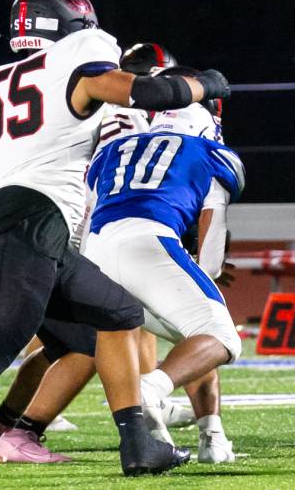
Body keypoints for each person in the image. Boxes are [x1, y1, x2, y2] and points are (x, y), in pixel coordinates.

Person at [0, 0, 230, 476]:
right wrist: (207, 84)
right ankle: (9, 426)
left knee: (117, 313)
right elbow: (145, 91)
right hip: (22, 222)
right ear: (72, 22)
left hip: (31, 225)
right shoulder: (78, 59)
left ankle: (138, 445)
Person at [83, 65, 243, 464]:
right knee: (219, 334)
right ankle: (150, 391)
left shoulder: (112, 148)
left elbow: (84, 214)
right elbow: (213, 225)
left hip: (95, 250)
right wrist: (209, 276)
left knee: (192, 336)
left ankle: (210, 439)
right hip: (148, 241)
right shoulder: (211, 150)